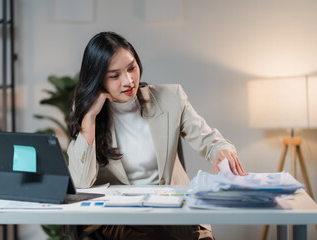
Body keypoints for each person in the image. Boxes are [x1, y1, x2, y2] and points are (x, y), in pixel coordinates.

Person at [66, 31, 247, 240]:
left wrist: (221, 150)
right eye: (114, 76)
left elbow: (208, 139)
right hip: (122, 219)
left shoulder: (170, 98)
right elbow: (80, 183)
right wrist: (89, 121)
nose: (128, 81)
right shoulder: (90, 114)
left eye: (132, 68)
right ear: (98, 79)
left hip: (173, 212)